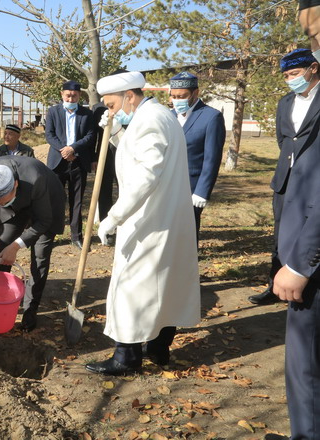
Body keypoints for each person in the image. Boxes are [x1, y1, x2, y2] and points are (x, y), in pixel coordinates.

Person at [85, 70, 200, 376]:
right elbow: (138, 155)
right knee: (162, 286)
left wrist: (113, 216)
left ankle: (127, 356)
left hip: (149, 218)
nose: (110, 111)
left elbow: (145, 176)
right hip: (162, 217)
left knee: (130, 286)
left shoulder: (150, 120)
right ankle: (159, 349)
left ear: (130, 96)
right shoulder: (155, 116)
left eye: (111, 105)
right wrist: (118, 132)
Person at [270, 48, 320, 440]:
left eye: (297, 73)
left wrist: (302, 263)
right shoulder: (287, 104)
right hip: (293, 215)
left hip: (311, 248)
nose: (291, 80)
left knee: (305, 358)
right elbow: (287, 150)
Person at [0, 155, 65, 331]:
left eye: (4, 201)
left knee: (40, 256)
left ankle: (30, 309)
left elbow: (44, 221)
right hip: (17, 207)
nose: (1, 204)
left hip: (47, 201)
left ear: (15, 184)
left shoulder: (36, 178)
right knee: (3, 247)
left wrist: (17, 246)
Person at [169, 71, 226, 240]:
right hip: (167, 183)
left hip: (191, 185)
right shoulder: (169, 116)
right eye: (173, 96)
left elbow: (212, 158)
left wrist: (202, 191)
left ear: (195, 93)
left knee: (187, 231)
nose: (177, 101)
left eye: (182, 96)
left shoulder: (211, 117)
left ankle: (188, 263)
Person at [45, 80, 96, 250]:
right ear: (62, 95)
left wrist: (73, 148)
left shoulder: (87, 114)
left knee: (77, 202)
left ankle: (76, 236)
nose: (71, 98)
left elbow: (90, 136)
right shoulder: (53, 112)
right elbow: (49, 135)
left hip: (78, 161)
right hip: (58, 162)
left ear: (79, 96)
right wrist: (64, 150)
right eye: (68, 95)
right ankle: (52, 234)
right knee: (55, 200)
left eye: (74, 95)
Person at [91, 103, 117, 240]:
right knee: (104, 192)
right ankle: (107, 228)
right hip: (104, 155)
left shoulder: (128, 103)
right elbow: (94, 134)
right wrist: (94, 158)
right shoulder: (99, 108)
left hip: (124, 154)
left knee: (125, 191)